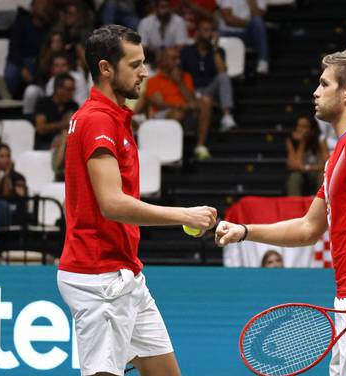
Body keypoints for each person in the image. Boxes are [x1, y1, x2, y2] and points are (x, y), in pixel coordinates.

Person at [216, 49, 346, 376]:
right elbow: (309, 228)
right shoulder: (340, 153)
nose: (315, 92)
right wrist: (246, 231)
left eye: (324, 84)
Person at [56, 25, 217, 376]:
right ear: (106, 68)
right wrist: (183, 215)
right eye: (135, 64)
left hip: (125, 272)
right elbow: (112, 204)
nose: (144, 71)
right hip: (99, 277)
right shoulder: (97, 119)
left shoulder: (114, 117)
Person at [145, 47, 214, 160]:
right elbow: (159, 104)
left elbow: (192, 101)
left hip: (187, 113)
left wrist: (179, 82)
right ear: (164, 61)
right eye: (173, 59)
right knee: (178, 113)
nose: (178, 62)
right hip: (164, 115)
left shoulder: (185, 77)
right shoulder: (153, 80)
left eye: (178, 58)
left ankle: (200, 146)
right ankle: (170, 153)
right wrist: (180, 106)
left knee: (206, 101)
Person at [180, 17, 237, 131]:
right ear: (198, 32)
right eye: (205, 30)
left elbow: (222, 71)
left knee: (223, 77)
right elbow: (181, 75)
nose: (209, 33)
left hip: (210, 90)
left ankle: (226, 116)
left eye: (211, 30)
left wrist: (215, 48)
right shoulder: (187, 51)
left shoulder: (218, 51)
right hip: (192, 91)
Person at [4, 0, 53, 98]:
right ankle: (12, 97)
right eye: (40, 4)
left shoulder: (50, 26)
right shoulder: (22, 22)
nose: (43, 7)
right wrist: (22, 67)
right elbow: (14, 48)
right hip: (20, 60)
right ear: (33, 7)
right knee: (11, 73)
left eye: (45, 4)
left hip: (39, 60)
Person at [218, 0, 269, 74]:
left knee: (258, 22)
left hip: (248, 34)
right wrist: (249, 25)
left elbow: (258, 16)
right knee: (219, 35)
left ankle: (263, 61)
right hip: (227, 32)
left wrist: (251, 2)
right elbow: (228, 20)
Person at [33, 73, 79, 150]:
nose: (72, 93)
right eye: (69, 90)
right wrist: (64, 124)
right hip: (44, 146)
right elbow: (41, 128)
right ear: (58, 89)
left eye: (73, 89)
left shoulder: (73, 106)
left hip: (64, 146)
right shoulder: (43, 103)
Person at [285, 116, 328, 196]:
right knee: (294, 177)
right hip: (302, 174)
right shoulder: (291, 140)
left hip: (316, 173)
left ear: (312, 130)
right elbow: (293, 165)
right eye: (298, 126)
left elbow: (327, 164)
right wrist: (302, 142)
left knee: (322, 177)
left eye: (304, 127)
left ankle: (322, 205)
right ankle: (294, 205)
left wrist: (306, 168)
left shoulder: (320, 139)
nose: (299, 129)